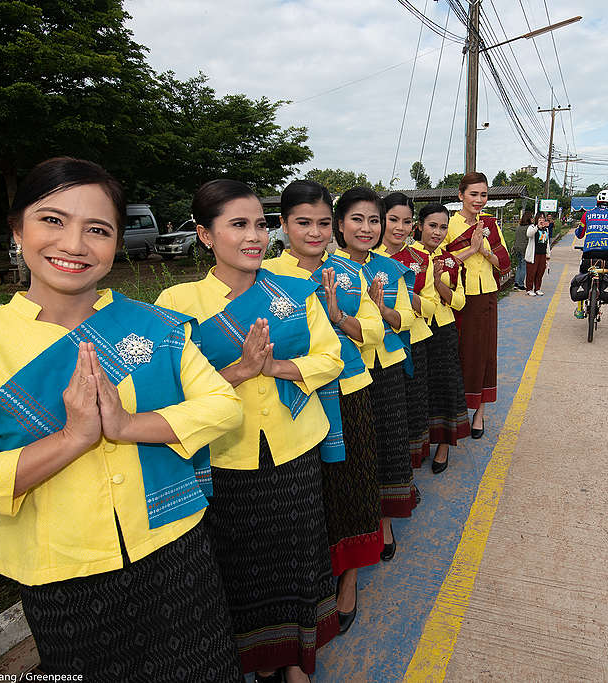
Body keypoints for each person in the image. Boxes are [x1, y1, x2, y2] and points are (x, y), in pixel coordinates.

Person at [0, 157, 244, 681]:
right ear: (17, 230)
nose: (74, 244)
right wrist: (71, 440)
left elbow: (222, 405)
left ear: (115, 244)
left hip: (178, 551)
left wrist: (129, 426)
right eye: (52, 220)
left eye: (98, 229)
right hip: (61, 580)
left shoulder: (156, 325)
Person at [155, 179, 343, 683]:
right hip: (223, 458)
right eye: (238, 224)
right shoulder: (178, 302)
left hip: (294, 446)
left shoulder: (294, 290)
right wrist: (237, 372)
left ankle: (296, 660)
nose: (254, 235)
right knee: (241, 568)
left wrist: (274, 367)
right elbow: (168, 392)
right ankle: (257, 661)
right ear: (205, 235)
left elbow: (331, 357)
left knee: (298, 560)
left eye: (260, 223)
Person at [262, 179, 385, 636]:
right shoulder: (265, 275)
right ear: (283, 225)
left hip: (348, 389)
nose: (313, 233)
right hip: (291, 396)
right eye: (302, 223)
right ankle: (312, 581)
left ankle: (349, 576)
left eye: (320, 223)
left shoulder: (350, 273)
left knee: (350, 481)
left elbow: (373, 330)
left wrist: (341, 318)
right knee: (308, 492)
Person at [332, 185, 417, 562]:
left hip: (386, 367)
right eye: (357, 220)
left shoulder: (390, 269)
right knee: (357, 453)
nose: (366, 228)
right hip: (347, 374)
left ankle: (384, 520)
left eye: (374, 221)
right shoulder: (324, 270)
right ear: (340, 225)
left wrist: (382, 311)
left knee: (388, 441)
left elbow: (407, 319)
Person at [442, 172, 510, 438]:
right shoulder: (448, 226)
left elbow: (502, 262)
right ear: (461, 195)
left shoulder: (491, 225)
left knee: (485, 354)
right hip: (457, 297)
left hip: (487, 296)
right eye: (473, 194)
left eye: (483, 195)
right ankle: (457, 411)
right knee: (458, 354)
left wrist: (484, 251)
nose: (479, 200)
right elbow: (442, 262)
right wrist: (470, 249)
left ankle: (479, 413)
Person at [378, 192, 435, 469]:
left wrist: (407, 294)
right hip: (381, 345)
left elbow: (432, 307)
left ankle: (412, 466)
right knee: (390, 414)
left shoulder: (419, 258)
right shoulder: (366, 259)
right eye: (393, 220)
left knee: (414, 404)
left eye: (407, 221)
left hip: (417, 338)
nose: (400, 228)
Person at [414, 203, 469, 473]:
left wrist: (437, 283)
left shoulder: (451, 261)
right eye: (432, 225)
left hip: (443, 329)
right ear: (420, 225)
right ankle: (422, 443)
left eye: (443, 227)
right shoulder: (408, 256)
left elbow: (459, 302)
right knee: (421, 389)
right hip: (415, 331)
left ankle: (444, 445)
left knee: (445, 386)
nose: (437, 232)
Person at [573, 189, 608, 319]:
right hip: (607, 252)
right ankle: (604, 294)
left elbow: (580, 235)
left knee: (583, 275)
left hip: (589, 251)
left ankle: (579, 309)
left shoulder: (587, 215)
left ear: (597, 201)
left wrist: (577, 231)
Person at [524, 211, 553, 296]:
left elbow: (547, 242)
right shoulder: (532, 227)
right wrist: (537, 227)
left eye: (543, 218)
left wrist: (548, 253)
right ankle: (529, 289)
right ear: (537, 219)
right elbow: (529, 234)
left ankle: (538, 288)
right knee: (531, 272)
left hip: (542, 254)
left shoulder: (546, 229)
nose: (541, 220)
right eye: (540, 218)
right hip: (533, 254)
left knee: (540, 272)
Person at [513, 210, 534, 290]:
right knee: (523, 266)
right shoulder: (529, 227)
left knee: (519, 266)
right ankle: (521, 284)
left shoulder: (519, 227)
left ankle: (516, 283)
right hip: (524, 249)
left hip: (517, 248)